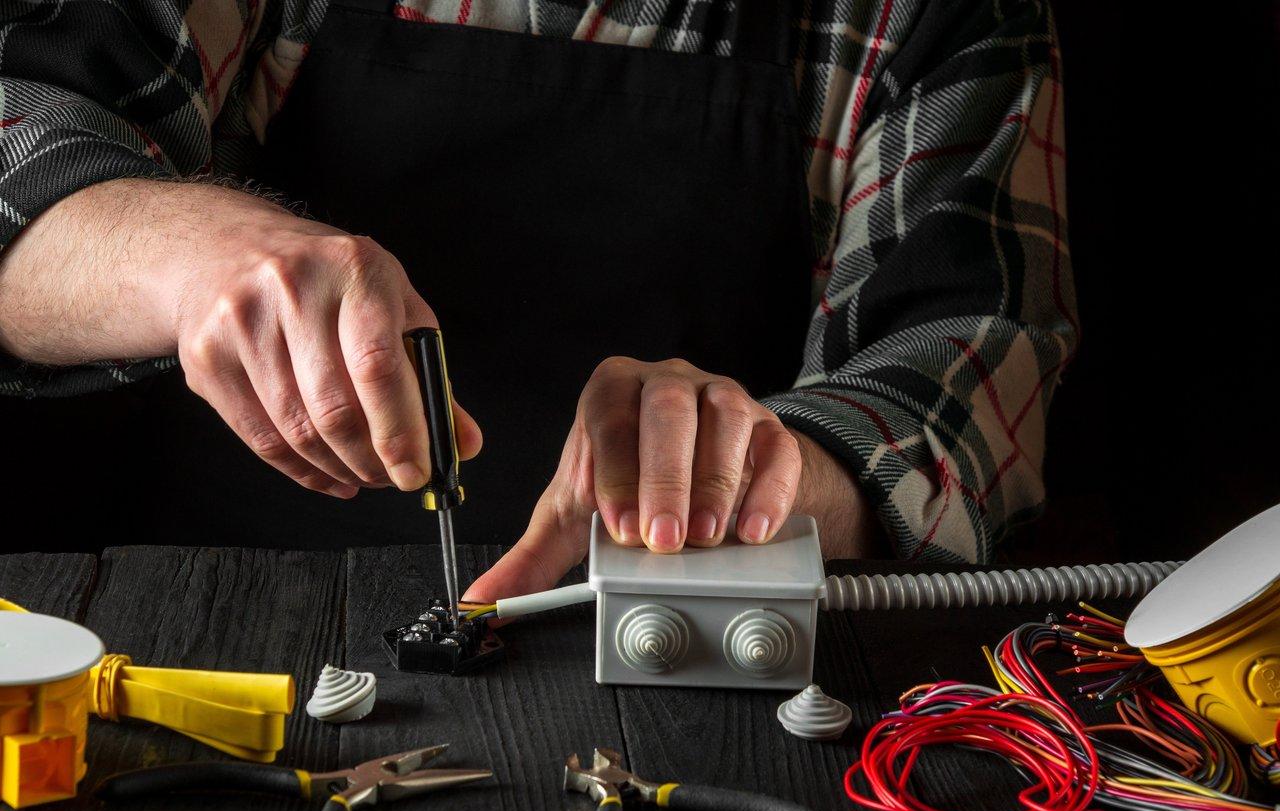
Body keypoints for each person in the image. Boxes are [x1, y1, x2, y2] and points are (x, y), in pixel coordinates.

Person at [0, 0, 1074, 604]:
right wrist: (199, 257)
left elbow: (966, 376)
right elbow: (23, 133)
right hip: (219, 618)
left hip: (687, 654)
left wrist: (760, 474)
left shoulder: (931, 16)